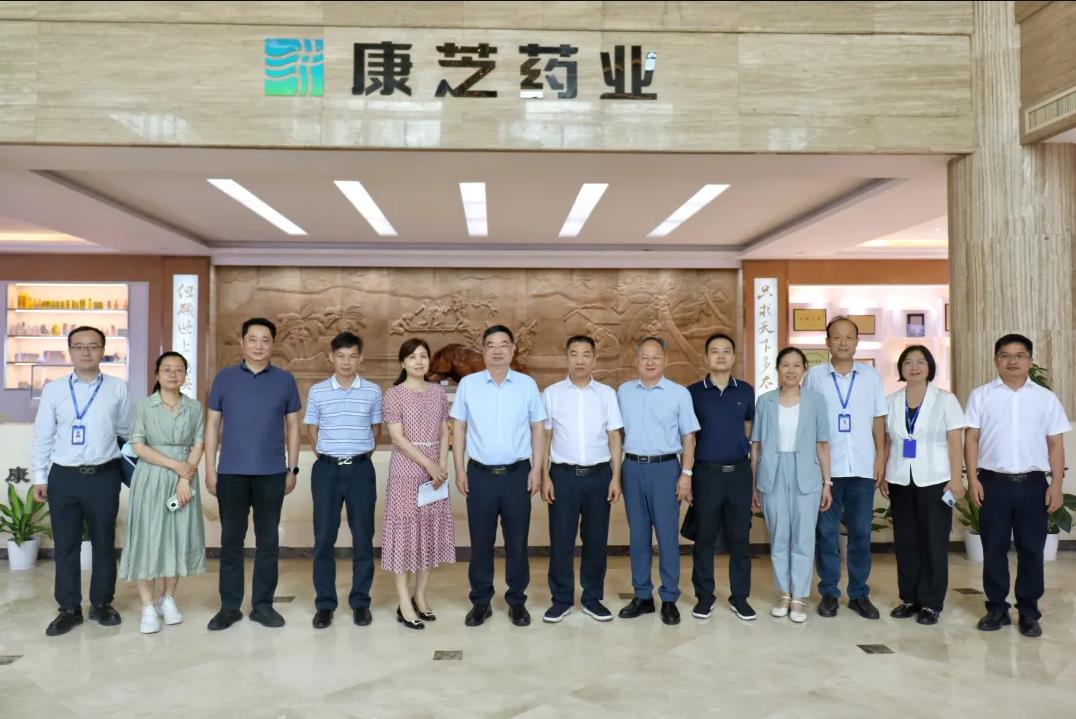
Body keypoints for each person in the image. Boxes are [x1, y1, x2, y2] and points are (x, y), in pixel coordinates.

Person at [966, 334, 1070, 638]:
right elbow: (971, 438)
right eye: (1005, 355)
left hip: (1033, 484)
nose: (1012, 361)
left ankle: (1028, 611)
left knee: (1031, 550)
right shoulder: (981, 395)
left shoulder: (1045, 398)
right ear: (996, 360)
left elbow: (1055, 442)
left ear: (1030, 360)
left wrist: (1056, 484)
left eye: (1019, 355)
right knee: (993, 548)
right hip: (992, 483)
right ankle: (996, 608)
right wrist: (972, 479)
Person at [32, 326, 130, 637]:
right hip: (64, 477)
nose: (86, 352)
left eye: (93, 346)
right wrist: (39, 476)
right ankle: (68, 608)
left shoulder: (117, 388)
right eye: (79, 346)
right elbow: (42, 435)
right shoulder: (54, 389)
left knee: (103, 543)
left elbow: (125, 433)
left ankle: (102, 603)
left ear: (103, 350)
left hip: (104, 476)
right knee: (65, 546)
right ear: (70, 351)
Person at [204, 317, 301, 631]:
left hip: (271, 473)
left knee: (268, 541)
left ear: (273, 344)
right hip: (231, 473)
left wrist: (292, 468)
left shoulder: (285, 380)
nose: (259, 345)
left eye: (265, 340)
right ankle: (229, 607)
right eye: (253, 339)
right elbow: (212, 425)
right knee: (231, 541)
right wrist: (209, 468)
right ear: (242, 342)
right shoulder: (224, 378)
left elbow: (293, 427)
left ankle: (263, 606)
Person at [451, 325, 546, 628]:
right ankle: (481, 602)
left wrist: (536, 469)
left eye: (503, 344)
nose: (497, 350)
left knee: (517, 541)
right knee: (481, 542)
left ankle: (517, 601)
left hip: (517, 474)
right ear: (482, 350)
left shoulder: (527, 385)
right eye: (490, 345)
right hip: (480, 475)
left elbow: (538, 429)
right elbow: (459, 427)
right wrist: (459, 468)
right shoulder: (469, 385)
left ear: (513, 349)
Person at [804, 317, 887, 620]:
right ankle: (829, 592)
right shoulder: (814, 377)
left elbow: (878, 419)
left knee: (861, 532)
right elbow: (807, 421)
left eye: (849, 337)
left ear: (856, 342)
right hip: (827, 470)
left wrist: (880, 457)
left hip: (862, 466)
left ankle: (858, 593)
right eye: (836, 337)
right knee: (826, 532)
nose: (842, 342)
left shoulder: (870, 376)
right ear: (827, 342)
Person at [119, 351, 207, 634]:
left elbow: (199, 444)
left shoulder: (194, 407)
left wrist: (184, 479)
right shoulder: (144, 406)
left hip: (184, 481)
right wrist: (176, 466)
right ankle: (147, 606)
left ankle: (168, 599)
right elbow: (138, 445)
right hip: (151, 477)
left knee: (176, 536)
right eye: (167, 369)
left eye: (179, 369)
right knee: (147, 536)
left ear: (185, 376)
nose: (173, 374)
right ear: (156, 374)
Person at [540, 335, 624, 624]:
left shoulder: (606, 394)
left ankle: (592, 598)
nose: (580, 360)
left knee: (596, 540)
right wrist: (544, 476)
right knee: (561, 540)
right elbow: (545, 437)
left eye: (586, 354)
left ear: (594, 359)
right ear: (567, 358)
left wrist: (616, 477)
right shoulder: (552, 394)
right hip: (563, 476)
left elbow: (614, 436)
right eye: (574, 354)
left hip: (599, 476)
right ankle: (561, 600)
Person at [616, 336, 700, 626]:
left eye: (656, 357)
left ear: (665, 360)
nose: (650, 362)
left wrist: (686, 474)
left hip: (666, 469)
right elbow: (616, 434)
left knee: (666, 536)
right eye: (645, 357)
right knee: (638, 535)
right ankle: (642, 595)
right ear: (636, 361)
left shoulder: (679, 394)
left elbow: (689, 437)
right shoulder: (624, 392)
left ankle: (669, 598)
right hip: (632, 468)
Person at [880, 345, 966, 626]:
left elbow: (955, 441)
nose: (914, 367)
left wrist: (956, 478)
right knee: (906, 541)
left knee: (933, 541)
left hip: (935, 479)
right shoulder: (892, 401)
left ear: (930, 367)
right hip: (900, 478)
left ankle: (930, 602)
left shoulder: (945, 400)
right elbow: (888, 441)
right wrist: (884, 473)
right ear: (901, 368)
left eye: (920, 362)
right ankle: (909, 598)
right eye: (908, 362)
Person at [305, 331, 382, 629]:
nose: (346, 362)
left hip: (361, 470)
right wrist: (331, 456)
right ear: (331, 358)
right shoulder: (318, 391)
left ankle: (361, 603)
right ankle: (325, 604)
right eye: (341, 356)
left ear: (360, 358)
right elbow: (312, 431)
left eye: (352, 356)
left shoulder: (373, 391)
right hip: (327, 470)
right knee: (324, 536)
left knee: (363, 536)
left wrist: (356, 455)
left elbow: (376, 431)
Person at [752, 347, 832, 623]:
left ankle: (799, 597)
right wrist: (754, 484)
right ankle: (784, 593)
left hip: (807, 474)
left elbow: (823, 444)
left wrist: (827, 483)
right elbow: (757, 445)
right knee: (779, 536)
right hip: (772, 474)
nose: (791, 370)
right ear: (777, 369)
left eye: (797, 365)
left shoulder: (815, 401)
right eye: (785, 365)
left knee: (803, 537)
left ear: (804, 370)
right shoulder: (765, 401)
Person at [381, 338, 455, 630]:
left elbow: (445, 432)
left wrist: (442, 466)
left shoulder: (437, 392)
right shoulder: (394, 394)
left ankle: (421, 597)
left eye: (423, 356)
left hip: (435, 474)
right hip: (406, 470)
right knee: (405, 534)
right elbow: (397, 438)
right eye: (412, 357)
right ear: (402, 363)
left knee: (428, 532)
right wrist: (429, 464)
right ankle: (404, 602)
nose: (419, 361)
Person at [687, 333, 756, 622]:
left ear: (734, 356)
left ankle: (740, 598)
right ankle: (705, 597)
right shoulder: (693, 392)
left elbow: (749, 429)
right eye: (715, 351)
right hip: (706, 473)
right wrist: (687, 475)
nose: (721, 356)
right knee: (704, 537)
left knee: (740, 537)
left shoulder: (746, 391)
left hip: (739, 473)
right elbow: (688, 437)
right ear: (706, 357)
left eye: (726, 351)